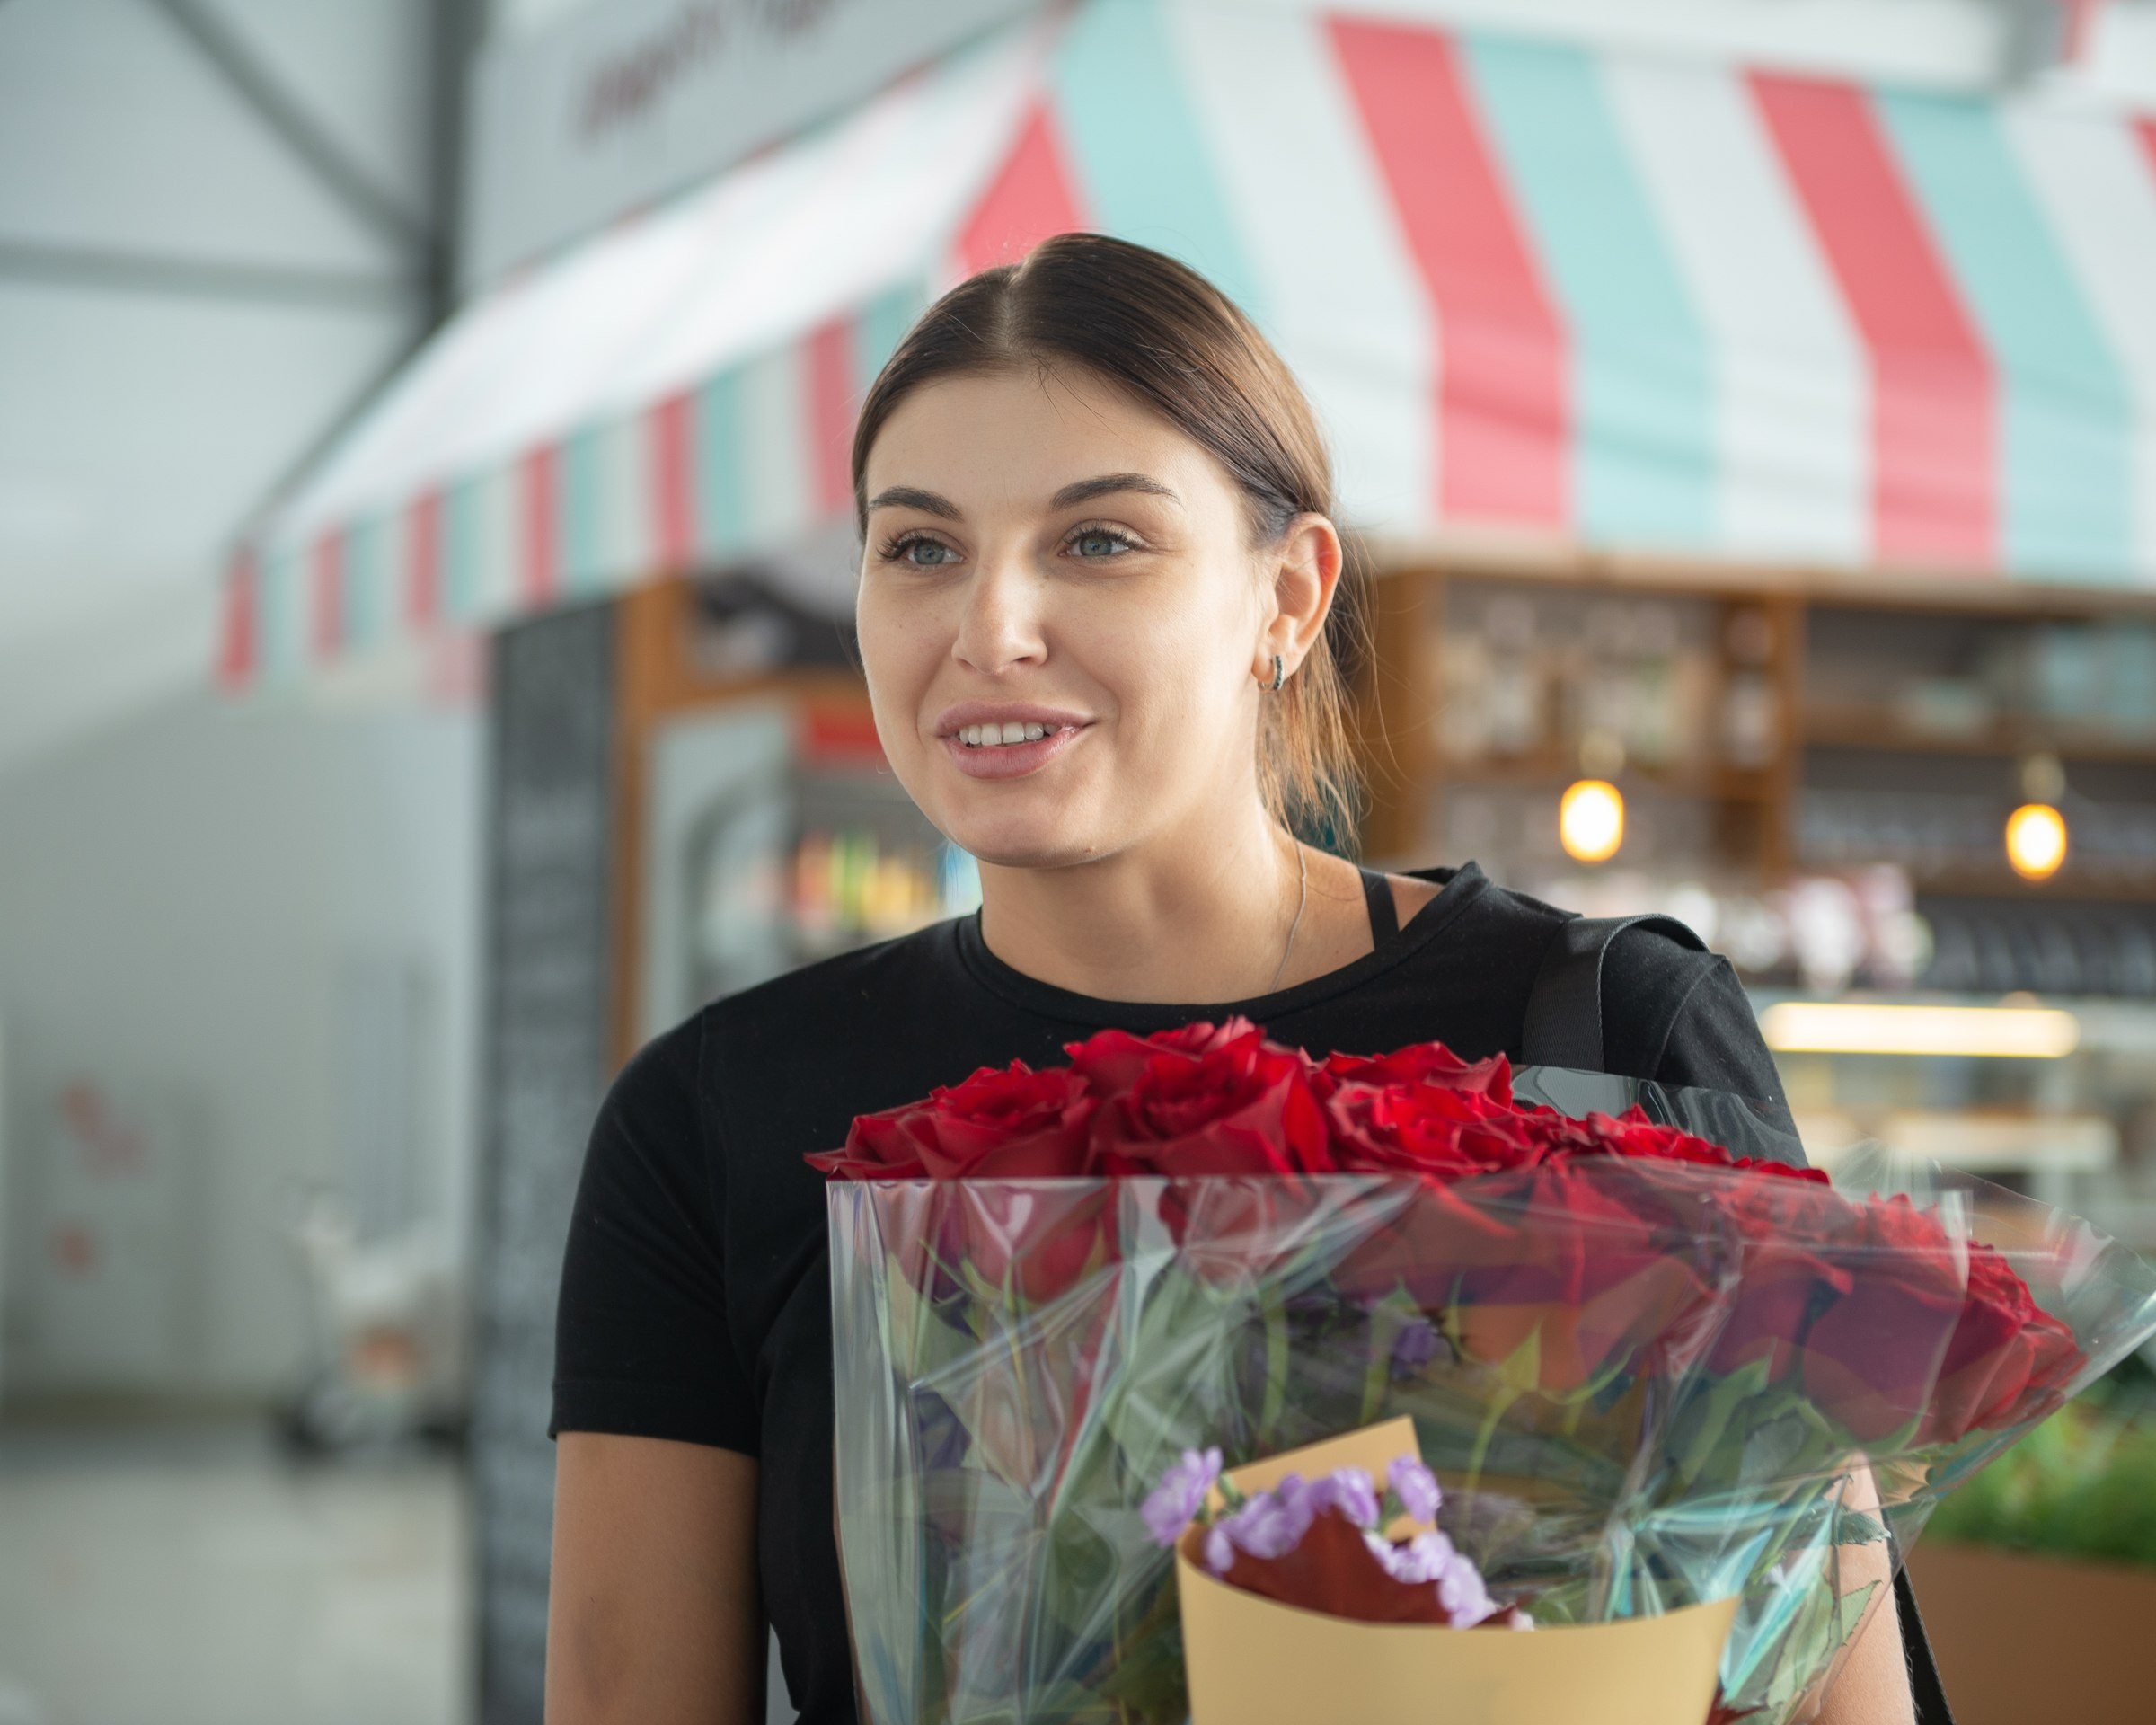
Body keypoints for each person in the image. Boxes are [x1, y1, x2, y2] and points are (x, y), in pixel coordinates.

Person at [546, 234, 1933, 1724]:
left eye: (1099, 540)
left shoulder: (1601, 1031)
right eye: (920, 546)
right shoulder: (720, 1116)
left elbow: (1832, 1694)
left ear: (1289, 594)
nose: (989, 628)